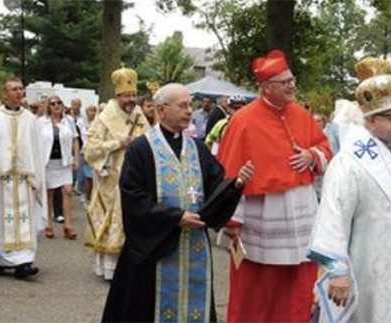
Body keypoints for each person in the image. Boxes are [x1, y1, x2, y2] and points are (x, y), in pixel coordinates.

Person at [102, 83, 254, 322]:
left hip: (194, 247)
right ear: (161, 110)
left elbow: (214, 188)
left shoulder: (196, 149)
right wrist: (174, 217)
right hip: (155, 248)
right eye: (182, 106)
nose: (189, 111)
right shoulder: (141, 149)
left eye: (189, 105)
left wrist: (234, 186)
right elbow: (133, 198)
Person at [308, 57, 391, 322]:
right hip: (370, 268)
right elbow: (333, 216)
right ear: (371, 121)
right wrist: (337, 270)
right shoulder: (349, 162)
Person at [217, 49, 332, 322]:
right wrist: (232, 223)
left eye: (292, 79)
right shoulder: (243, 120)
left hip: (301, 210)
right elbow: (230, 172)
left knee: (297, 285)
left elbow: (325, 147)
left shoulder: (302, 115)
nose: (292, 85)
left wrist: (311, 156)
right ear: (266, 87)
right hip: (264, 215)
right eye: (285, 82)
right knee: (259, 287)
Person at [0, 77, 46, 279]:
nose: (19, 92)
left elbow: (36, 151)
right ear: (5, 93)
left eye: (21, 89)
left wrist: (36, 175)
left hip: (24, 180)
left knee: (24, 223)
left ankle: (24, 262)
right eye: (14, 89)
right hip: (0, 180)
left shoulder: (31, 120)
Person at [84, 67, 150, 280]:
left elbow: (150, 139)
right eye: (127, 96)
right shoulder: (105, 118)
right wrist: (117, 143)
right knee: (112, 221)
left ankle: (130, 267)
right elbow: (91, 149)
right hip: (111, 178)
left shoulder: (139, 114)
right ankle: (110, 269)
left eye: (133, 95)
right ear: (117, 95)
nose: (131, 99)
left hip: (136, 176)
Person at [40, 94, 79, 239]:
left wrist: (75, 158)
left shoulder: (69, 121)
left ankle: (68, 225)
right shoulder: (41, 122)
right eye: (52, 104)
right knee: (49, 193)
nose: (56, 106)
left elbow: (75, 139)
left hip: (64, 162)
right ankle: (48, 223)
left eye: (59, 103)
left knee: (68, 191)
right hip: (48, 162)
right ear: (48, 107)